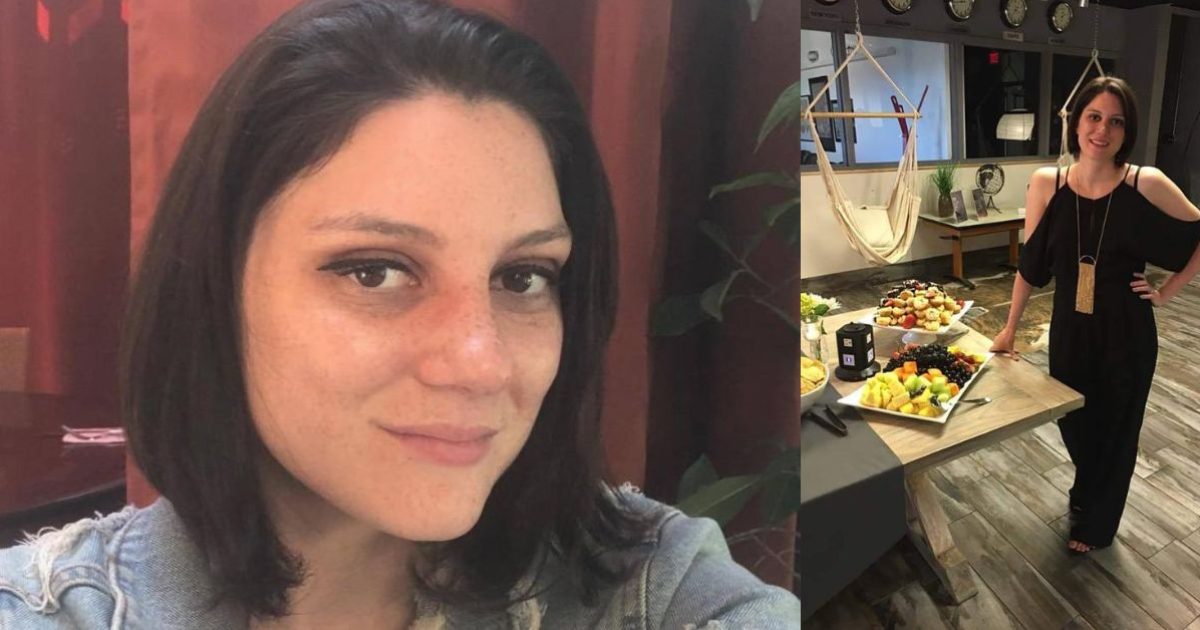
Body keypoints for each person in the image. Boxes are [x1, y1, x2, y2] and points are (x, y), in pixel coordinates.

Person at [0, 0, 802, 627]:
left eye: (523, 276)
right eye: (374, 271)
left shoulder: (657, 589)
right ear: (213, 289)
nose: (480, 361)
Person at [991, 76, 1200, 554]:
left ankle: (1095, 524)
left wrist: (1168, 291)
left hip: (1126, 331)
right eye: (1094, 117)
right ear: (1076, 121)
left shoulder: (1145, 182)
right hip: (1068, 329)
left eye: (1116, 121)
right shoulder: (1048, 183)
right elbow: (1030, 264)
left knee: (1117, 430)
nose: (1102, 131)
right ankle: (1088, 492)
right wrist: (1008, 329)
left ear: (1128, 131)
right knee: (1076, 423)